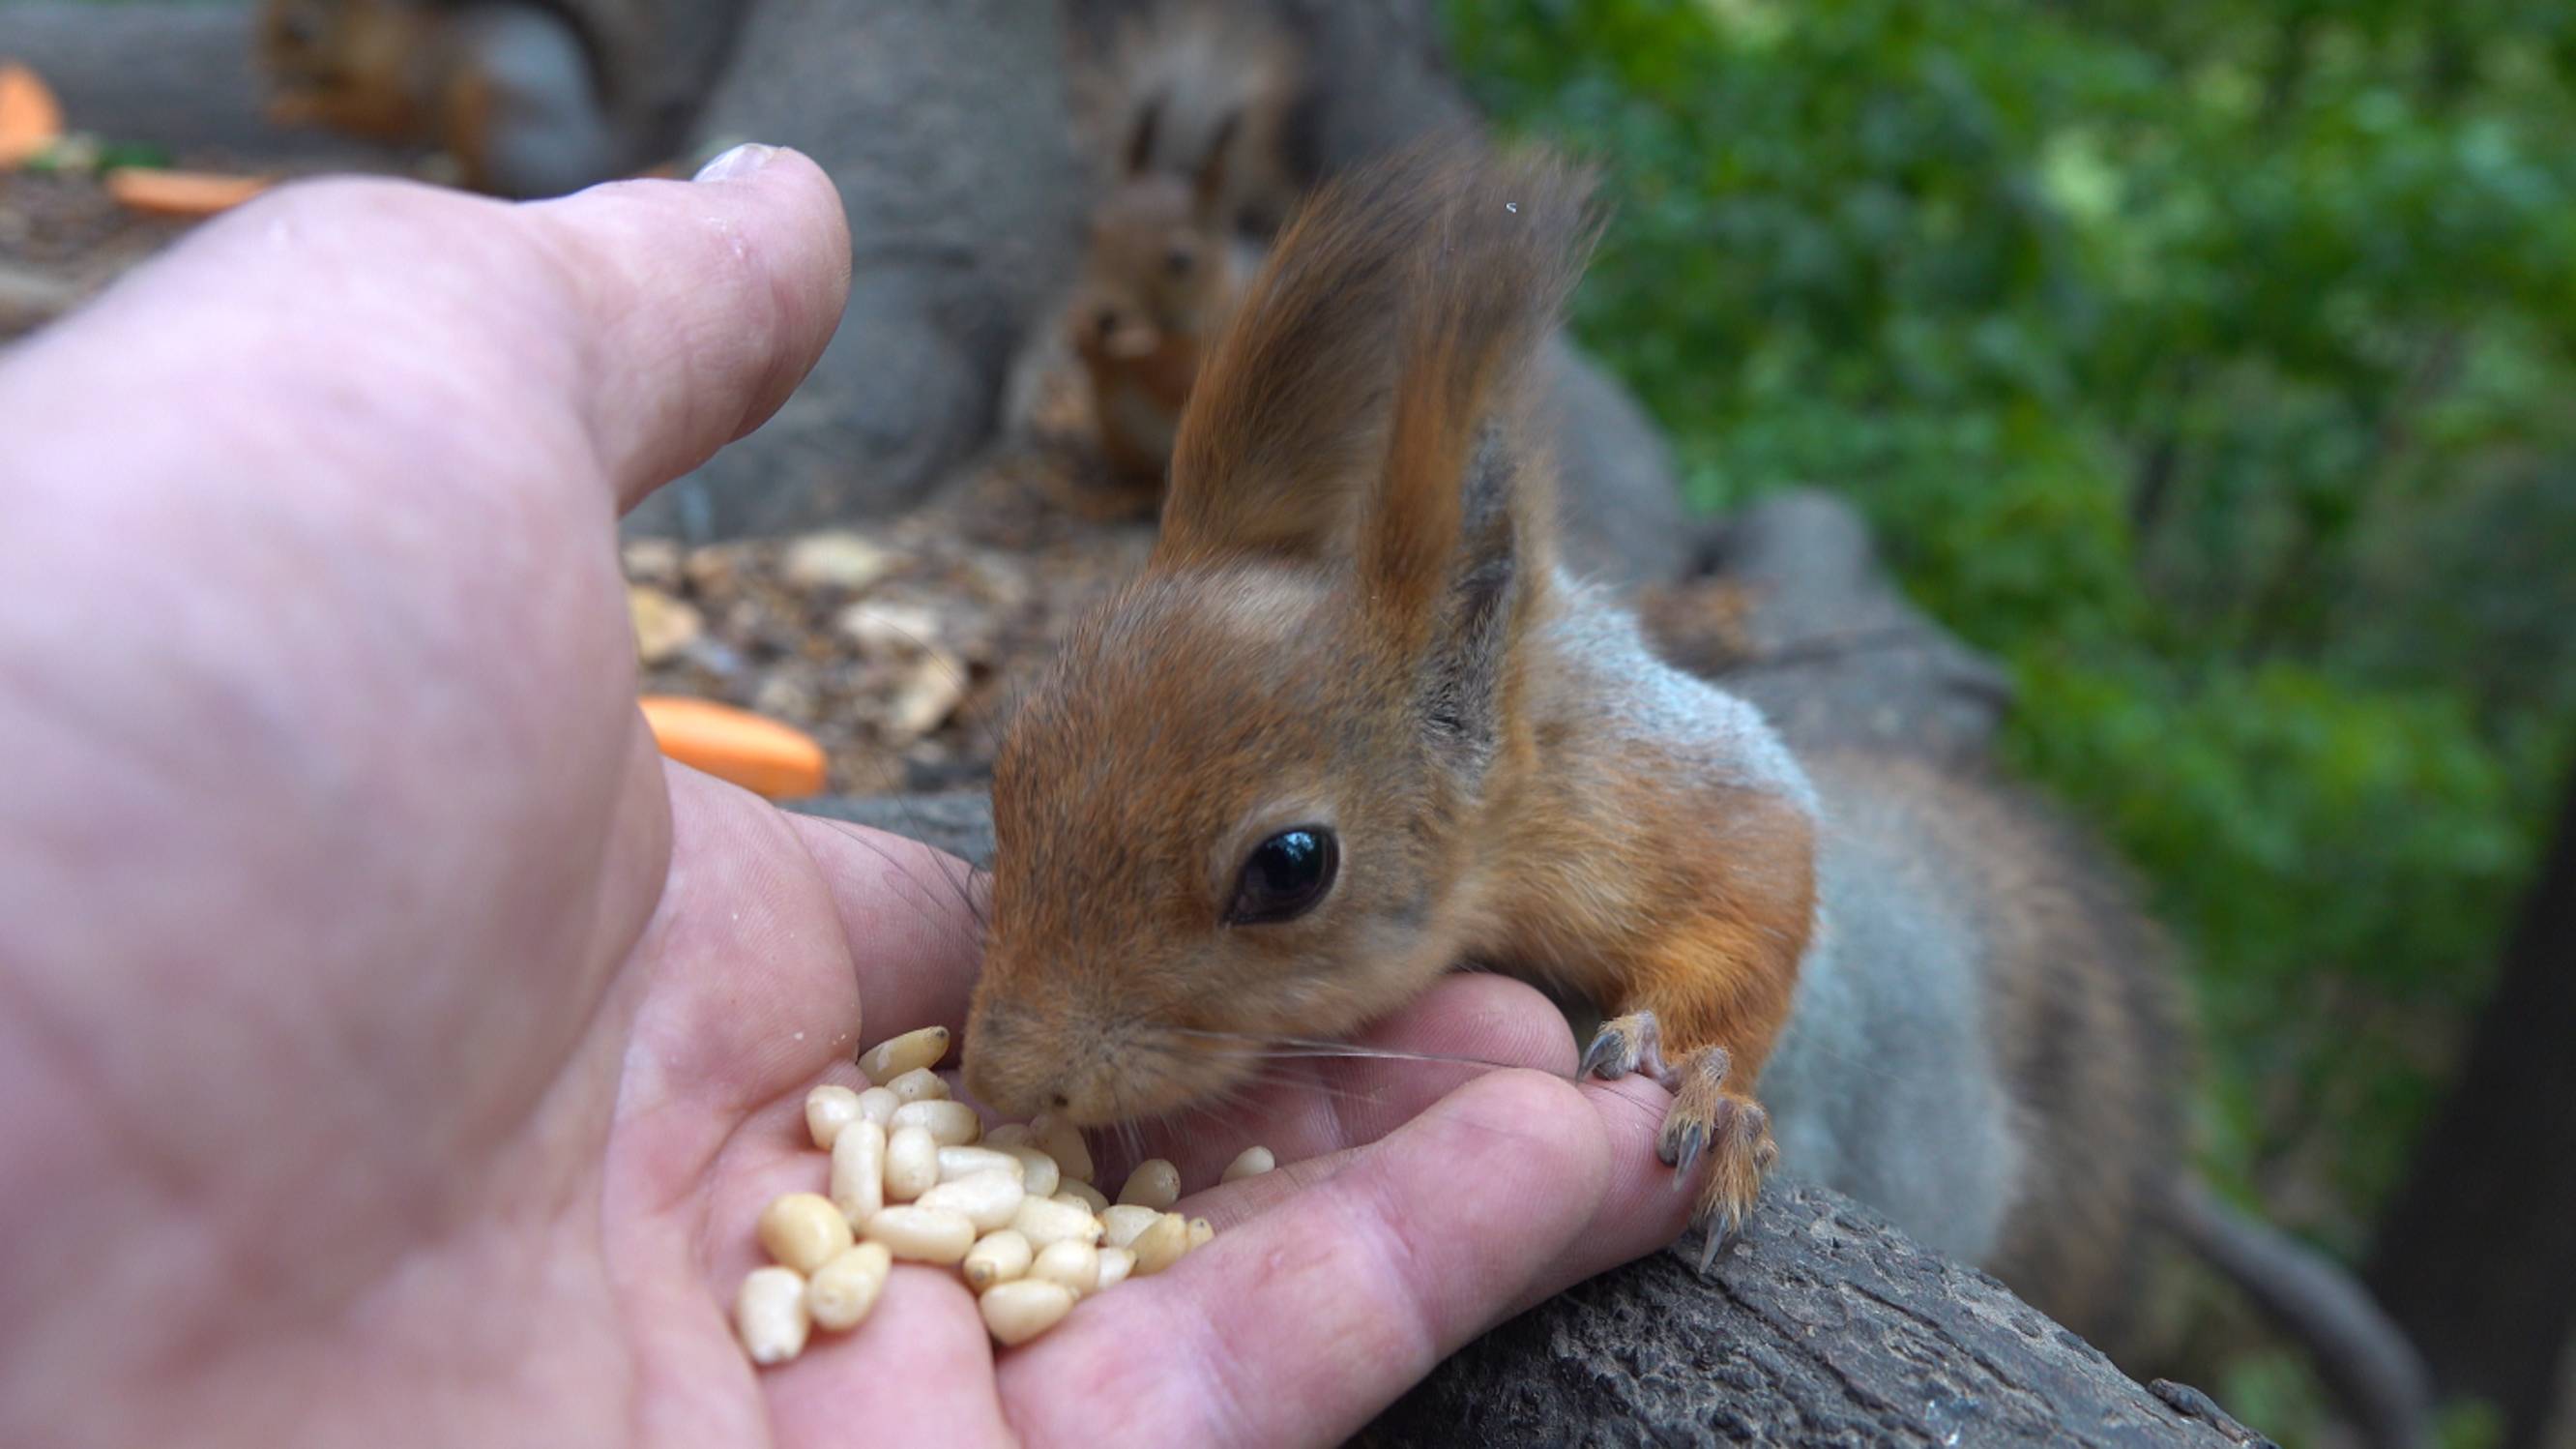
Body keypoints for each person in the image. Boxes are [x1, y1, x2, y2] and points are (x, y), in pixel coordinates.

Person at [0, 144, 1690, 1445]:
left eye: (1278, 871)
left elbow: (1743, 869)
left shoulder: (1571, 787)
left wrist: (1701, 1044)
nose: (1011, 1066)